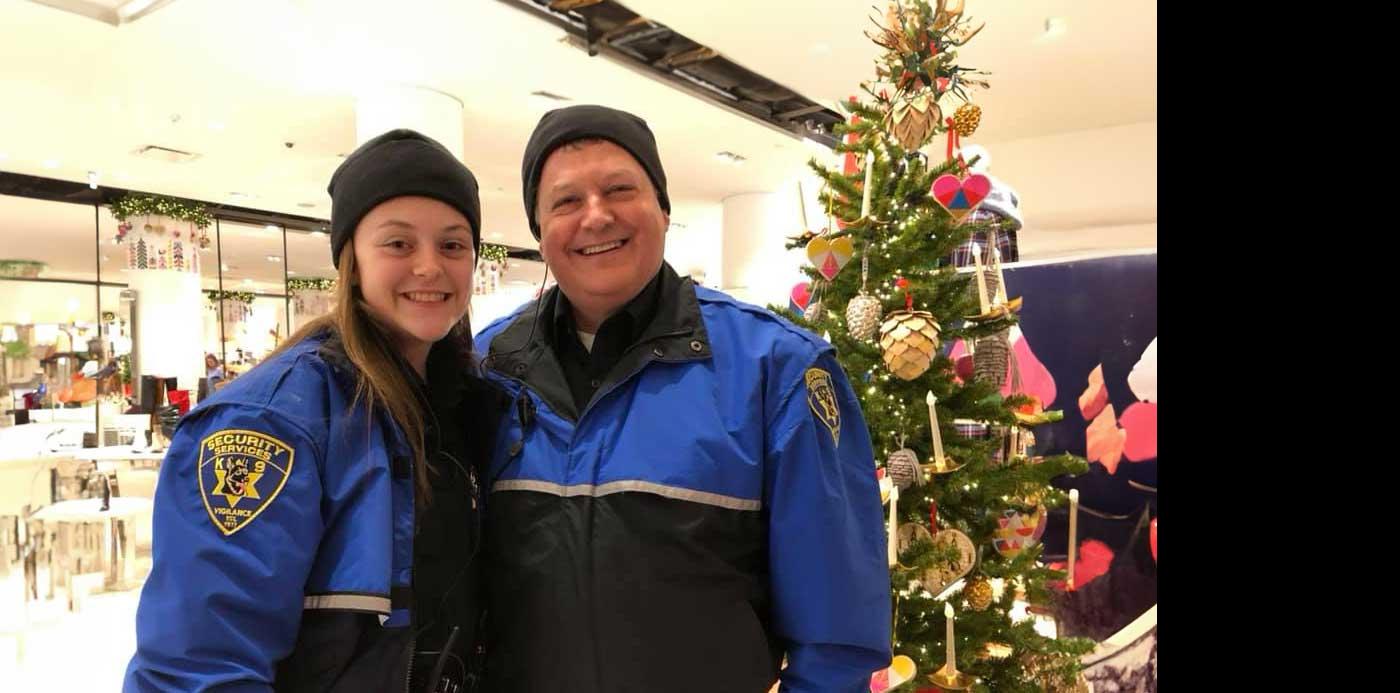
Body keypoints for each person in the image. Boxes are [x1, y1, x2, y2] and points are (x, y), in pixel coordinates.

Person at [475, 104, 891, 693]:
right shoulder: (486, 369)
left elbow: (839, 627)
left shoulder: (777, 370)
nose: (596, 216)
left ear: (663, 210)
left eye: (620, 189)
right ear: (539, 232)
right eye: (566, 201)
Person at [124, 129, 506, 692]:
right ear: (351, 260)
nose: (430, 267)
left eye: (452, 245)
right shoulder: (272, 422)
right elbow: (199, 664)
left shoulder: (466, 402)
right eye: (398, 244)